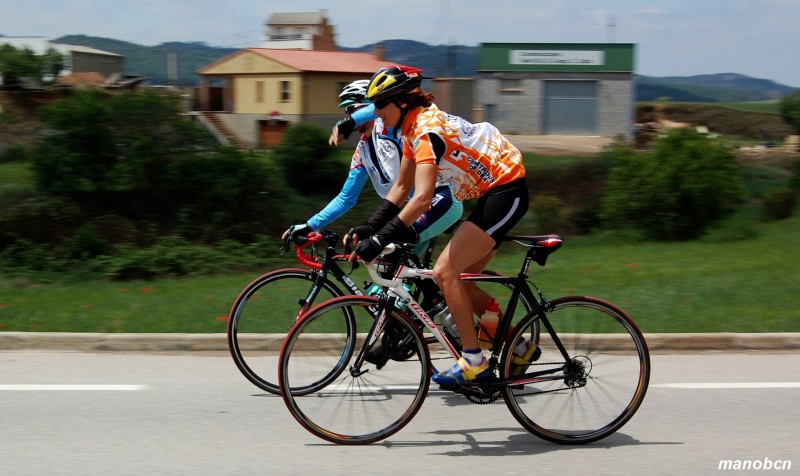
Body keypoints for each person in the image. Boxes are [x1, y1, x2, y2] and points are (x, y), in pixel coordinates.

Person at [349, 65, 539, 388]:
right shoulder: (410, 129)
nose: (376, 112)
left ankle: (474, 361)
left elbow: (422, 198)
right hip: (492, 191)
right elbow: (399, 189)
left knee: (443, 272)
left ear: (401, 102)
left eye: (380, 104)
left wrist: (380, 240)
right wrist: (369, 229)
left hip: (506, 188)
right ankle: (520, 347)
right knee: (460, 281)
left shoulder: (425, 130)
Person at [283, 79, 463, 256]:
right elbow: (346, 198)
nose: (348, 116)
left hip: (442, 199)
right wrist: (309, 226)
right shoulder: (362, 151)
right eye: (346, 112)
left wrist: (352, 120)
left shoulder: (391, 129)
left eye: (352, 109)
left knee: (386, 249)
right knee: (384, 270)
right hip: (416, 208)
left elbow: (379, 109)